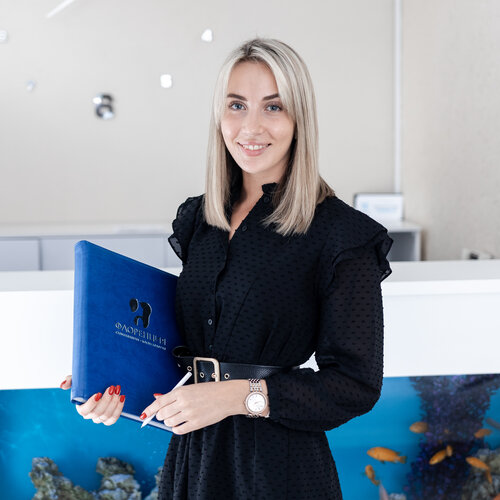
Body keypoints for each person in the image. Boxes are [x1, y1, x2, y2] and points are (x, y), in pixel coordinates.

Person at [61, 37, 394, 499]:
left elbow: (355, 385)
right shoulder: (200, 220)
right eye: (237, 105)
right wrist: (112, 383)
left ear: (299, 118)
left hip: (279, 470)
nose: (250, 126)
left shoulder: (342, 234)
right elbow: (187, 349)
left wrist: (238, 396)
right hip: (192, 461)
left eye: (273, 107)